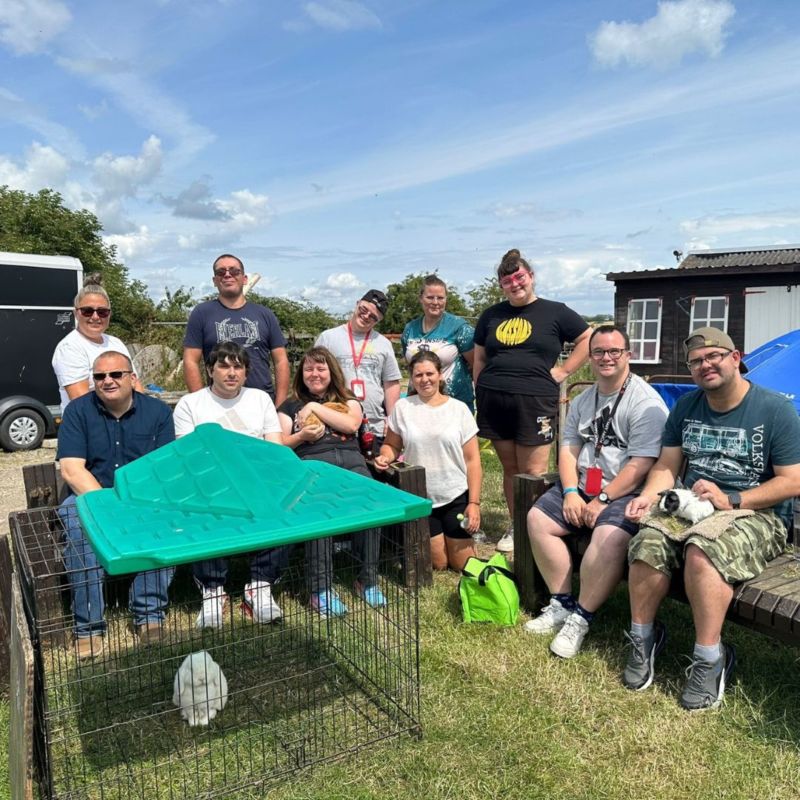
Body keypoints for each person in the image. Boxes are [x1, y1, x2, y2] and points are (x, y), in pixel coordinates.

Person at [622, 327, 800, 710]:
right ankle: (642, 638)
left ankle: (709, 658)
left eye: (714, 356)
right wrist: (648, 496)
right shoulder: (686, 406)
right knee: (647, 540)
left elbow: (793, 481)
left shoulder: (774, 409)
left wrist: (733, 499)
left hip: (757, 514)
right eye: (696, 361)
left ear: (736, 358)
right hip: (690, 505)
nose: (705, 366)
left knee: (702, 551)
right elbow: (667, 464)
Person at [525, 325, 668, 658]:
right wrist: (572, 492)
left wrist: (603, 499)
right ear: (589, 357)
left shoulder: (645, 403)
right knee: (537, 520)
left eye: (614, 351)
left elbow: (642, 464)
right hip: (584, 485)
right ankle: (561, 602)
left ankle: (581, 617)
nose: (606, 358)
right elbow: (568, 449)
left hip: (626, 491)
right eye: (599, 352)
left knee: (610, 537)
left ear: (628, 355)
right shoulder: (584, 399)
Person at [56, 351, 175, 659]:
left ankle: (149, 615)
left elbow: (161, 470)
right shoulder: (77, 412)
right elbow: (71, 469)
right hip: (90, 494)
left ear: (131, 378)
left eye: (115, 374)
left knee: (163, 523)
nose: (107, 381)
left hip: (143, 496)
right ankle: (88, 627)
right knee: (76, 524)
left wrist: (136, 504)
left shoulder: (158, 413)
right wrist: (107, 507)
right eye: (99, 376)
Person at [473, 249, 591, 553]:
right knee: (510, 470)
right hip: (495, 400)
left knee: (533, 473)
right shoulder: (491, 315)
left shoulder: (555, 311)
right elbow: (480, 356)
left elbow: (588, 339)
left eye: (519, 277)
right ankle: (517, 525)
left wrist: (564, 370)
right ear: (501, 285)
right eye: (507, 280)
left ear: (531, 277)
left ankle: (536, 530)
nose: (514, 284)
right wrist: (480, 386)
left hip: (535, 401)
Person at [173, 341, 286, 628]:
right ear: (210, 370)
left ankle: (259, 586)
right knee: (201, 507)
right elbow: (189, 458)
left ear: (247, 372)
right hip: (210, 485)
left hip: (255, 482)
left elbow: (274, 450)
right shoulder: (190, 404)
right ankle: (212, 590)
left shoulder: (260, 399)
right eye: (224, 365)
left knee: (281, 504)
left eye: (238, 366)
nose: (231, 372)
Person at [278, 346, 387, 616]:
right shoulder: (289, 406)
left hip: (351, 464)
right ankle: (320, 588)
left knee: (372, 504)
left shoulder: (348, 400)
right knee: (319, 510)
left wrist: (314, 406)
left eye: (321, 368)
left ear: (332, 372)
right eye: (308, 368)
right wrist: (302, 437)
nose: (314, 373)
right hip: (312, 466)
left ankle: (367, 579)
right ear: (300, 373)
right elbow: (279, 445)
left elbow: (351, 425)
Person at [374, 351, 482, 572]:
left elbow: (472, 461)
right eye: (418, 375)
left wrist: (474, 503)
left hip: (454, 494)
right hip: (421, 497)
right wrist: (385, 455)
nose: (425, 379)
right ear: (412, 379)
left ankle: (464, 535)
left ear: (440, 375)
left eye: (430, 373)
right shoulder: (403, 408)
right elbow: (392, 445)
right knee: (439, 564)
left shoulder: (459, 409)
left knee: (464, 565)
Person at [183, 253, 290, 406]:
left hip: (261, 402)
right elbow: (190, 361)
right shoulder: (202, 313)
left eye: (234, 271)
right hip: (218, 403)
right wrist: (201, 404)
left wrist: (280, 405)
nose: (227, 275)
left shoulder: (265, 314)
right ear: (214, 281)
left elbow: (281, 361)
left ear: (244, 278)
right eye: (221, 272)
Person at [315, 289, 401, 455]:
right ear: (357, 304)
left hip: (373, 425)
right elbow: (314, 376)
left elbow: (391, 382)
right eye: (364, 309)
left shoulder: (383, 343)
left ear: (379, 321)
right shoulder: (328, 338)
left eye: (373, 316)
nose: (366, 316)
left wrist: (391, 419)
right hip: (336, 423)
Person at [52, 273, 144, 412]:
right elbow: (80, 400)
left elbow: (136, 386)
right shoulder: (69, 347)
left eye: (102, 312)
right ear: (76, 313)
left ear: (110, 314)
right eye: (87, 311)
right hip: (87, 428)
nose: (95, 317)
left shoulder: (116, 343)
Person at [401, 275, 475, 412]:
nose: (435, 302)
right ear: (421, 298)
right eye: (430, 297)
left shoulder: (459, 327)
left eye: (440, 298)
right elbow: (410, 364)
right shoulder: (410, 329)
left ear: (446, 299)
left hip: (453, 404)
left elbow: (476, 364)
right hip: (417, 404)